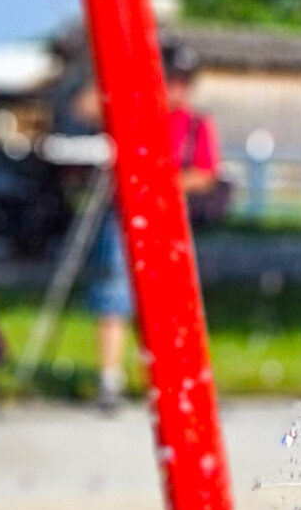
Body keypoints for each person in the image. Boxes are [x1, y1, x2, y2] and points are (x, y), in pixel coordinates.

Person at [87, 43, 222, 409]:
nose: (176, 89)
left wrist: (161, 183)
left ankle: (166, 381)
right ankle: (109, 379)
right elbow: (85, 108)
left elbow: (206, 174)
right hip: (124, 217)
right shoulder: (135, 115)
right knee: (115, 295)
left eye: (183, 82)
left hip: (168, 219)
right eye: (170, 80)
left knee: (168, 304)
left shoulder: (196, 124)